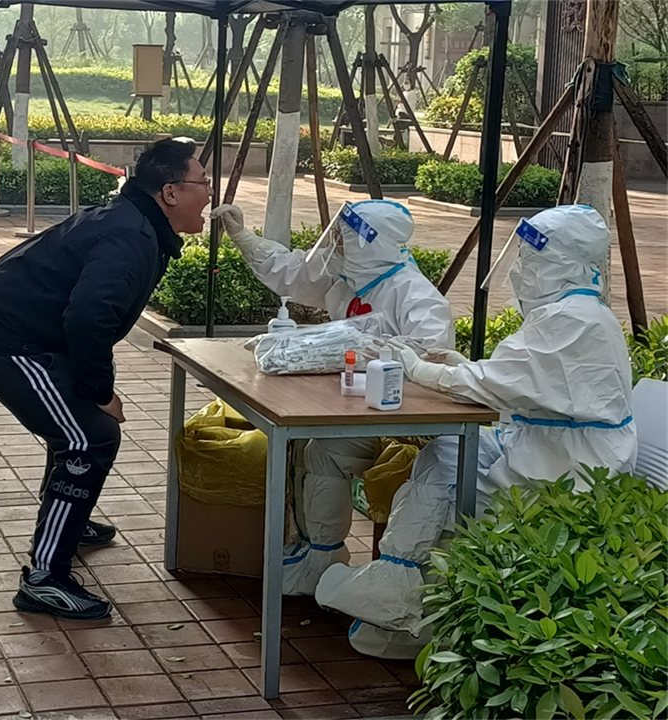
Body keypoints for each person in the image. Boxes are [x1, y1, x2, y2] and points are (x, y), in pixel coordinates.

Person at [315, 204, 638, 658]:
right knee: (446, 452)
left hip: (565, 467)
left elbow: (502, 383)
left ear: (565, 265)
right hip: (538, 442)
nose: (521, 270)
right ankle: (395, 577)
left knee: (452, 486)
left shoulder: (575, 319)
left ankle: (410, 597)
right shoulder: (569, 311)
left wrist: (421, 369)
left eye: (533, 260)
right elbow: (527, 380)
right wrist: (460, 366)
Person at [0, 138, 212, 620]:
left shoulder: (139, 224)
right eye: (204, 182)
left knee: (77, 428)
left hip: (31, 332)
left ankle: (68, 517)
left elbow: (93, 319)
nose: (210, 192)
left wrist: (94, 390)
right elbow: (89, 319)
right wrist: (100, 393)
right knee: (89, 437)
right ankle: (44, 579)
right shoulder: (130, 236)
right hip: (4, 338)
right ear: (171, 192)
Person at [212, 200, 455, 595]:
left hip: (401, 418)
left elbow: (428, 357)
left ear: (370, 242)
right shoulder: (348, 276)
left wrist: (346, 348)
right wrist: (244, 237)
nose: (336, 243)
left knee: (325, 450)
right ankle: (318, 555)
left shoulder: (415, 295)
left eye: (346, 237)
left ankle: (324, 558)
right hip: (352, 405)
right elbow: (294, 272)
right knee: (310, 449)